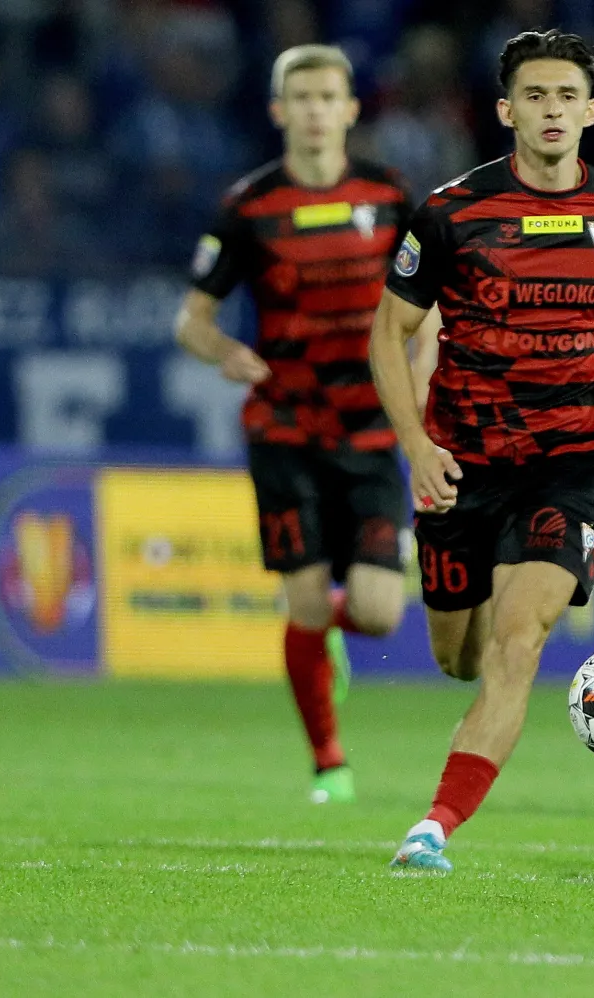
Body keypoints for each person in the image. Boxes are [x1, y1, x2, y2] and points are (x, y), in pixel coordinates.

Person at [368, 29, 594, 874]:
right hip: (462, 464)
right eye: (535, 96)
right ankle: (481, 647)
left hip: (570, 463)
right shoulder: (450, 213)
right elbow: (390, 332)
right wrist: (415, 444)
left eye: (567, 96)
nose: (552, 110)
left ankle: (433, 828)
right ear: (506, 111)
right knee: (459, 657)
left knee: (519, 641)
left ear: (592, 111)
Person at [174, 44, 437, 807]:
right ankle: (329, 762)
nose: (318, 110)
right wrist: (224, 350)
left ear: (352, 110)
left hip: (370, 427)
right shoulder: (249, 205)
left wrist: (420, 372)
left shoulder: (389, 196)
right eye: (304, 97)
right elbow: (191, 318)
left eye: (331, 97)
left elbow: (434, 303)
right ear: (279, 110)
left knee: (380, 614)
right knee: (305, 604)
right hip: (285, 425)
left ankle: (330, 636)